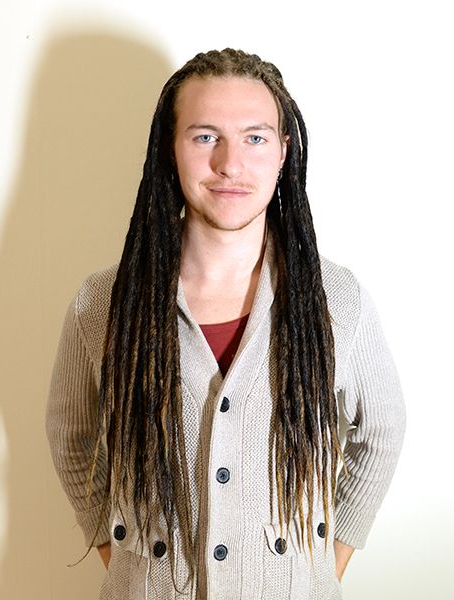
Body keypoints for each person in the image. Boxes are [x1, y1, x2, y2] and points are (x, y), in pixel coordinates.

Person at [46, 48, 406, 600]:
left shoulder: (337, 299)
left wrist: (320, 571)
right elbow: (71, 437)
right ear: (169, 149)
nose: (230, 164)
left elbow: (380, 432)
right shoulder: (103, 303)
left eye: (255, 138)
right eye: (205, 136)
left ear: (284, 151)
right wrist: (123, 558)